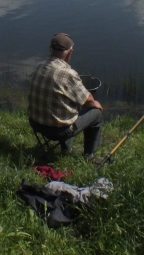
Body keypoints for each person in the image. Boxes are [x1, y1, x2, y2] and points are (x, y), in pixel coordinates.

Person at [28, 33, 103, 161]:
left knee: (65, 105)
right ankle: (89, 156)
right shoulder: (68, 74)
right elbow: (88, 100)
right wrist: (96, 104)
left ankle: (66, 148)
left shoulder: (38, 66)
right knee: (96, 114)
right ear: (70, 52)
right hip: (59, 131)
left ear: (50, 49)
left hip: (36, 123)